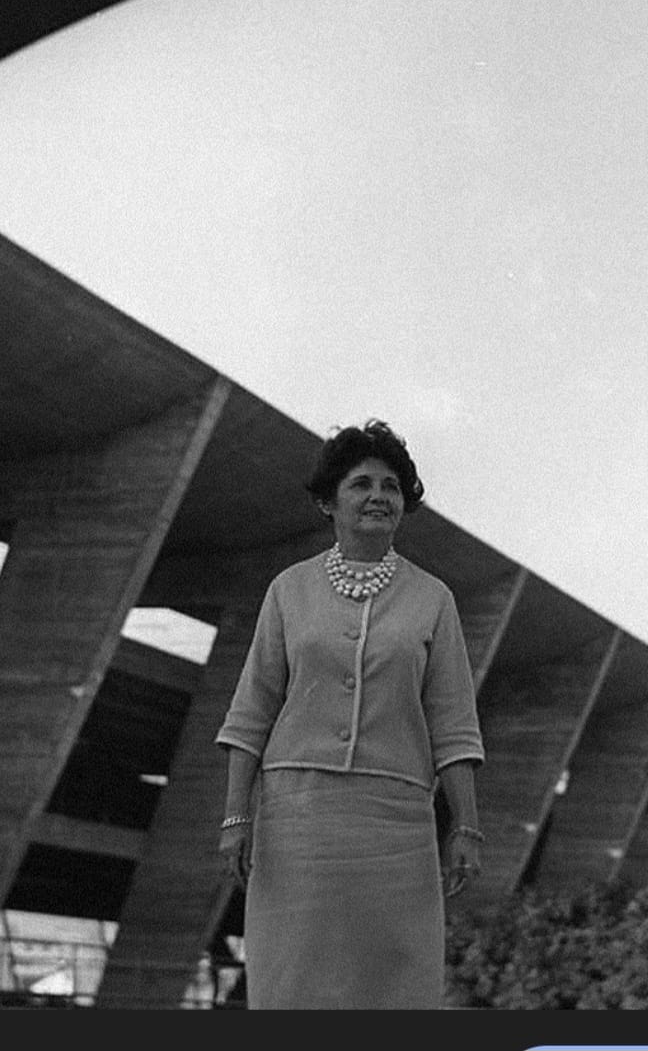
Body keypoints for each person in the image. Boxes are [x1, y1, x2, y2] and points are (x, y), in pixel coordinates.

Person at [214, 419, 485, 1010]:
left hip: (397, 826)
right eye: (361, 483)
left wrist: (463, 825)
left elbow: (454, 724)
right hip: (298, 821)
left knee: (393, 987)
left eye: (391, 486)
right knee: (294, 982)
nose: (378, 496)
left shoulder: (434, 600)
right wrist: (237, 815)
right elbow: (252, 709)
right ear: (327, 502)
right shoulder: (288, 590)